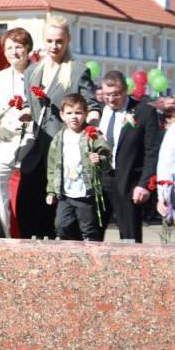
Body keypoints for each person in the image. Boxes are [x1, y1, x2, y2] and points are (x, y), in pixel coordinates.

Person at [17, 15, 99, 239]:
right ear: (44, 41)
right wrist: (24, 111)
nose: (54, 46)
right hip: (34, 148)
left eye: (59, 41)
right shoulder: (32, 71)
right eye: (50, 41)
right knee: (27, 207)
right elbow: (28, 103)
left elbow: (92, 107)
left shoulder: (77, 71)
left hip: (63, 151)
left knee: (55, 213)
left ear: (68, 40)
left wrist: (88, 130)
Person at [0, 27, 34, 236]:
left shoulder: (38, 73)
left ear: (28, 49)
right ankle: (1, 235)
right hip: (4, 140)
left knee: (28, 193)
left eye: (18, 47)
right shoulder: (0, 77)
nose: (14, 52)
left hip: (31, 141)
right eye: (9, 48)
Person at [98, 70, 161, 242]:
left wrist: (144, 184)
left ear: (125, 90)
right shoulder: (101, 112)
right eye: (106, 95)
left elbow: (153, 152)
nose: (111, 99)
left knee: (129, 237)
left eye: (116, 95)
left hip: (128, 183)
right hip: (102, 180)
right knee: (92, 233)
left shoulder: (144, 112)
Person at [45, 93, 110, 241]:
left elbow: (107, 158)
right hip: (66, 193)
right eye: (69, 113)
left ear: (86, 114)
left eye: (78, 113)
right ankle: (71, 254)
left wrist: (99, 158)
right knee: (61, 225)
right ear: (62, 115)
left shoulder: (92, 134)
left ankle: (91, 254)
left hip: (85, 194)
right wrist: (51, 191)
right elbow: (52, 166)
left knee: (88, 228)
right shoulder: (59, 138)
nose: (74, 117)